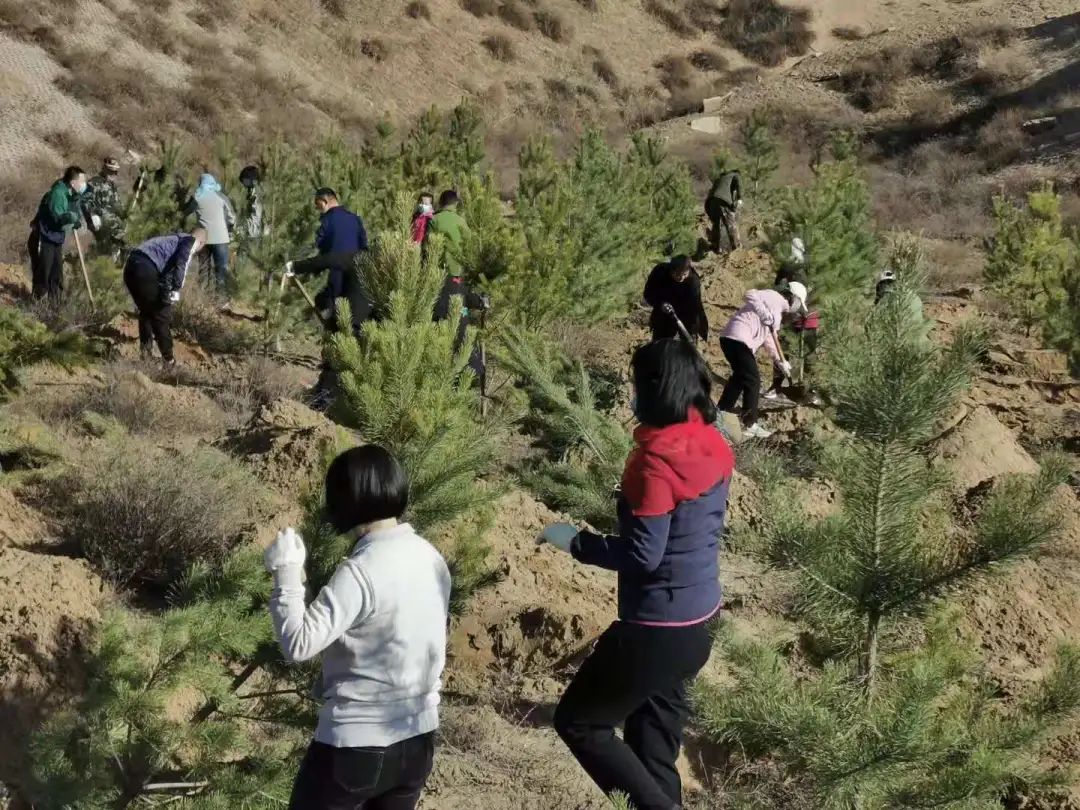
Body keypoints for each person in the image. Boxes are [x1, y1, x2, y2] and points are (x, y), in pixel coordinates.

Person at [540, 338, 733, 810]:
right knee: (652, 740)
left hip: (656, 628)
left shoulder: (655, 463)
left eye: (634, 382)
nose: (630, 393)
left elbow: (645, 554)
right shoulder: (710, 441)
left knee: (581, 722)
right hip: (699, 620)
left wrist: (577, 543)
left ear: (653, 388)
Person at [265, 445, 450, 810]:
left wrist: (286, 574)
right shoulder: (431, 556)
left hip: (354, 747)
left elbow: (298, 644)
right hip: (417, 739)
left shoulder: (360, 571)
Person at [717, 281, 808, 439]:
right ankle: (749, 423)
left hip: (731, 339)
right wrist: (763, 312)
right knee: (753, 380)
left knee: (740, 378)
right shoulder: (774, 297)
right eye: (799, 305)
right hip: (737, 338)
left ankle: (720, 413)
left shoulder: (777, 313)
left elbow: (769, 339)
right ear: (793, 298)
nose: (796, 310)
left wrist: (780, 361)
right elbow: (750, 294)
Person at [285, 187, 370, 333]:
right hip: (355, 277)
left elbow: (313, 245)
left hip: (332, 273)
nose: (318, 210)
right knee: (350, 316)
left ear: (324, 201)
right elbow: (364, 245)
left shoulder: (325, 220)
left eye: (318, 206)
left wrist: (296, 263)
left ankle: (328, 339)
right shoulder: (355, 219)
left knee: (333, 313)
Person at [123, 228, 206, 365]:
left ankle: (146, 355)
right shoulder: (190, 241)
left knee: (147, 312)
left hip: (131, 266)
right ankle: (169, 361)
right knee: (161, 314)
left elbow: (166, 271)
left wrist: (166, 290)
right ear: (201, 243)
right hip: (146, 267)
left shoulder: (173, 240)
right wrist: (175, 289)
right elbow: (182, 263)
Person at [28, 166, 87, 302]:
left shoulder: (70, 194)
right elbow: (57, 217)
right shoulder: (58, 194)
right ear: (73, 182)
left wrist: (75, 220)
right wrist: (69, 218)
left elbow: (73, 210)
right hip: (44, 237)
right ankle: (37, 305)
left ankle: (55, 307)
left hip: (56, 238)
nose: (84, 184)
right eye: (82, 181)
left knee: (56, 275)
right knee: (43, 273)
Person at [183, 173, 236, 292]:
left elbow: (184, 212)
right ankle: (220, 300)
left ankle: (201, 299)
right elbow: (232, 217)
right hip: (221, 239)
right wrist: (230, 228)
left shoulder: (197, 196)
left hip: (203, 240)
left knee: (203, 270)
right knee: (220, 271)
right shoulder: (221, 196)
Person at [433, 274, 489, 382]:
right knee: (466, 349)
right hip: (458, 326)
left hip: (439, 326)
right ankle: (472, 376)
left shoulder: (440, 279)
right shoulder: (460, 281)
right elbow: (473, 299)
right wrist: (483, 301)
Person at [643, 255, 708, 343]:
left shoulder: (693, 282)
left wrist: (693, 330)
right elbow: (648, 293)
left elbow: (694, 307)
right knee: (661, 345)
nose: (681, 278)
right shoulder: (660, 272)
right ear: (671, 270)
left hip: (686, 314)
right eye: (677, 274)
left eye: (684, 274)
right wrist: (660, 304)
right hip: (664, 315)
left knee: (689, 347)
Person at [83, 157, 125, 257]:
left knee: (117, 245)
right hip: (100, 221)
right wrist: (92, 216)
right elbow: (85, 202)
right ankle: (100, 265)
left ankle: (112, 264)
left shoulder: (112, 185)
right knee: (104, 248)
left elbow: (117, 203)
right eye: (112, 171)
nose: (115, 174)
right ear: (105, 169)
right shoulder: (93, 183)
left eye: (116, 171)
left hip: (113, 222)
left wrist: (124, 213)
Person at [425, 190, 469, 275]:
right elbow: (469, 245)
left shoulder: (434, 219)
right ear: (456, 204)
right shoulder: (461, 221)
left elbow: (427, 244)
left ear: (440, 203)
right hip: (458, 270)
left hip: (437, 271)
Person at [704, 169, 741, 254]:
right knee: (731, 224)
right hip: (721, 201)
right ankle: (737, 247)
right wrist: (739, 199)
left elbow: (711, 192)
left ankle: (716, 247)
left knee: (717, 224)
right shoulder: (735, 176)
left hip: (710, 203)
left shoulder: (720, 179)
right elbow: (738, 187)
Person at [238, 165, 265, 240]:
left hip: (254, 234)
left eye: (245, 181)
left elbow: (256, 216)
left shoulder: (257, 194)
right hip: (253, 232)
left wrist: (245, 230)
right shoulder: (252, 192)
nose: (243, 184)